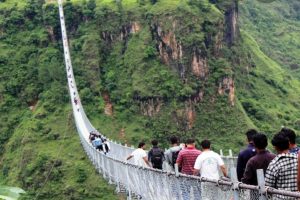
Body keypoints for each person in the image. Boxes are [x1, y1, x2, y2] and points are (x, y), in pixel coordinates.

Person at [265, 133, 298, 198]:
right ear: (289, 144)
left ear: (275, 147)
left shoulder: (274, 164)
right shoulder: (298, 160)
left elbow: (267, 187)